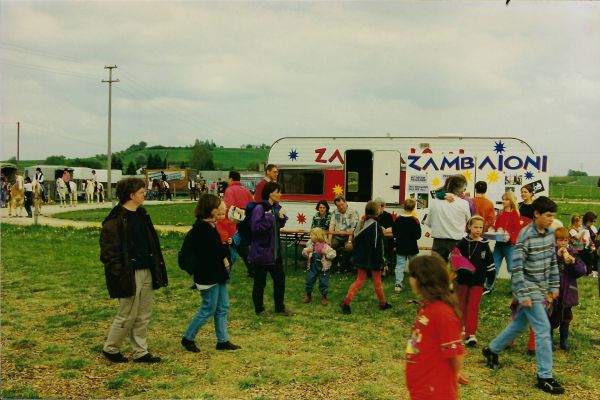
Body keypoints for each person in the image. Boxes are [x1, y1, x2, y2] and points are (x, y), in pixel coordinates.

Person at [482, 196, 565, 395]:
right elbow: (517, 267)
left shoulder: (549, 234)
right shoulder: (525, 236)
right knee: (543, 329)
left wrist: (554, 285)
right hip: (529, 290)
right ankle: (544, 376)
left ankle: (492, 349)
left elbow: (552, 262)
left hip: (542, 289)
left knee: (519, 324)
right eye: (548, 215)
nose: (551, 219)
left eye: (553, 216)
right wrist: (522, 293)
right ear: (536, 214)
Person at [100, 178, 168, 363]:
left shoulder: (142, 215)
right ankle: (111, 349)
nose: (144, 194)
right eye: (141, 192)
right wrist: (120, 273)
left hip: (147, 270)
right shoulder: (114, 221)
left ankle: (140, 351)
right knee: (128, 313)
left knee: (144, 314)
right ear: (131, 195)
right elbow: (109, 254)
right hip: (129, 274)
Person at [180, 194, 240, 353]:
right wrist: (225, 246)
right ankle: (188, 338)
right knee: (208, 308)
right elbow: (214, 252)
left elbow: (217, 249)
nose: (220, 210)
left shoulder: (211, 226)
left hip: (217, 274)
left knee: (223, 307)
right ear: (210, 209)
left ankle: (223, 340)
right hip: (208, 275)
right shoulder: (202, 229)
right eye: (217, 207)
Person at [406, 254, 467, 400]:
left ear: (422, 280)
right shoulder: (426, 307)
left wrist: (451, 373)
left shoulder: (442, 313)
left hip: (435, 391)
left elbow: (456, 354)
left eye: (412, 275)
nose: (410, 279)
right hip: (421, 387)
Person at [339, 201, 392, 314]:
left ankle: (346, 302)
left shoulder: (362, 223)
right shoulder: (376, 226)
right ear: (377, 212)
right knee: (377, 282)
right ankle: (382, 304)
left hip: (361, 257)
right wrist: (383, 261)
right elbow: (379, 246)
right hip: (374, 259)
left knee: (359, 280)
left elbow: (355, 238)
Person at [249, 182, 290, 316]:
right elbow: (255, 229)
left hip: (275, 253)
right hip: (261, 253)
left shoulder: (276, 207)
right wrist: (270, 217)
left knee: (280, 281)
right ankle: (259, 309)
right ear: (270, 193)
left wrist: (281, 218)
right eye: (278, 192)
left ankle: (280, 307)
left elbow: (277, 226)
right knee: (260, 283)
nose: (280, 194)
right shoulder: (260, 208)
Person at [454, 215, 495, 347]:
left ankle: (470, 334)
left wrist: (491, 277)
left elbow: (490, 262)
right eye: (475, 227)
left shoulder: (485, 244)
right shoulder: (463, 242)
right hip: (463, 280)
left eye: (480, 227)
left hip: (478, 281)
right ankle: (459, 328)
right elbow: (454, 258)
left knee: (473, 306)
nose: (478, 230)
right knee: (461, 305)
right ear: (469, 227)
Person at [549, 227, 587, 351]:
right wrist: (557, 256)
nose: (563, 243)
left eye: (565, 240)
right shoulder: (551, 253)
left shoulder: (572, 253)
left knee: (566, 317)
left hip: (568, 292)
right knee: (552, 317)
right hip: (554, 292)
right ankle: (549, 340)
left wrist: (573, 262)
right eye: (560, 240)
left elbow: (582, 271)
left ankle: (564, 340)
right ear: (555, 241)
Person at [425, 175, 470, 260]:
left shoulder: (435, 202)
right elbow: (469, 223)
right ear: (460, 188)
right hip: (457, 242)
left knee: (437, 267)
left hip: (438, 242)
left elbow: (429, 223)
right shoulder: (464, 203)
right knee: (456, 267)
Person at [487, 191, 521, 293]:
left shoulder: (515, 213)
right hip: (499, 243)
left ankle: (516, 290)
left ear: (510, 201)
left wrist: (510, 236)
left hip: (509, 245)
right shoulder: (501, 212)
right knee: (494, 266)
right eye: (503, 199)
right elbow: (497, 226)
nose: (503, 201)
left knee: (511, 267)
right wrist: (493, 229)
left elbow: (517, 230)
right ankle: (488, 287)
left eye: (506, 199)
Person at [224, 171, 255, 277]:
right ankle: (252, 271)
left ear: (231, 179)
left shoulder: (229, 190)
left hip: (233, 225)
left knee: (231, 249)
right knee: (243, 248)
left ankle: (226, 272)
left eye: (228, 179)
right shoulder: (246, 190)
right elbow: (252, 206)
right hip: (245, 224)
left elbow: (228, 207)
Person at [390, 198, 421, 292]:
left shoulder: (397, 220)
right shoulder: (415, 220)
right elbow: (418, 236)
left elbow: (394, 233)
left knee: (399, 266)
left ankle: (398, 284)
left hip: (400, 246)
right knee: (414, 266)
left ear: (403, 206)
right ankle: (415, 283)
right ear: (413, 208)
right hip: (412, 247)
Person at [301, 228, 336, 305]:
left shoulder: (326, 246)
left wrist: (326, 253)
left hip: (323, 269)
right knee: (309, 281)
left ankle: (324, 296)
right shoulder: (311, 246)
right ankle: (308, 295)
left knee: (324, 282)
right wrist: (307, 251)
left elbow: (333, 254)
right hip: (312, 267)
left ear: (317, 236)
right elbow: (303, 252)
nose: (310, 236)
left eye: (312, 235)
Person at [328, 195, 359, 273]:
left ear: (345, 202)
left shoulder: (353, 212)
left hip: (348, 236)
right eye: (338, 206)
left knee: (348, 248)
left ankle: (345, 267)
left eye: (342, 204)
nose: (341, 207)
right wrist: (329, 240)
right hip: (337, 236)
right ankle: (332, 266)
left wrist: (349, 241)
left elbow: (353, 228)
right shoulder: (335, 212)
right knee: (330, 247)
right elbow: (332, 225)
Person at [374, 197, 395, 272]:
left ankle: (384, 266)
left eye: (381, 206)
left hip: (387, 239)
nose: (380, 208)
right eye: (377, 206)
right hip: (375, 239)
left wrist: (385, 230)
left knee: (385, 242)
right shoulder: (373, 216)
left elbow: (392, 228)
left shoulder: (388, 216)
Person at [581, 211, 598, 275]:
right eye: (591, 221)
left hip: (593, 245)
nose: (592, 223)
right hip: (584, 246)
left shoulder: (593, 228)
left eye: (594, 221)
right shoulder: (581, 227)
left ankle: (596, 269)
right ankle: (592, 269)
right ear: (587, 220)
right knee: (592, 252)